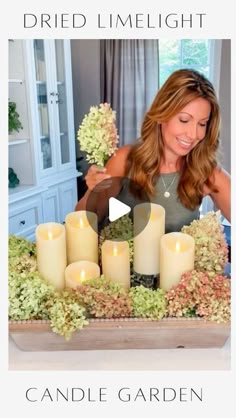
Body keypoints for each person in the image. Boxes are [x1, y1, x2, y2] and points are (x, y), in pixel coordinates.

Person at [75, 68, 231, 232]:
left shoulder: (206, 171)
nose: (193, 134)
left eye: (202, 124)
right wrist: (93, 191)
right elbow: (83, 221)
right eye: (184, 120)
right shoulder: (125, 159)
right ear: (163, 114)